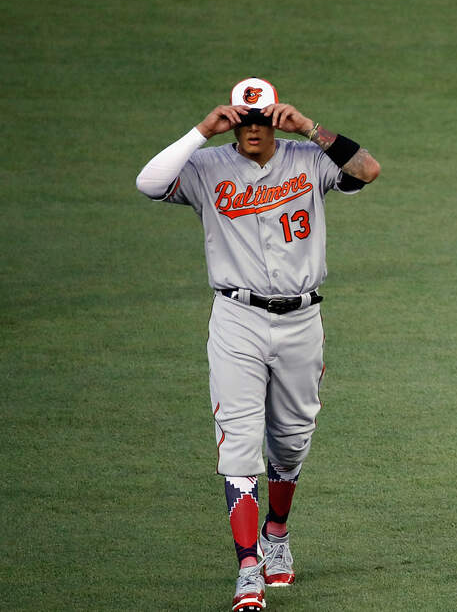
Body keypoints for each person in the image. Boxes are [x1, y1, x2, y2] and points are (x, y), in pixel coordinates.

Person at [135, 77, 381, 612]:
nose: (252, 129)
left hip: (302, 320)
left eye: (261, 120)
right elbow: (148, 183)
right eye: (243, 120)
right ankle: (248, 567)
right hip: (237, 319)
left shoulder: (309, 159)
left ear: (275, 118)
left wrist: (310, 128)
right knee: (239, 441)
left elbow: (367, 169)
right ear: (232, 120)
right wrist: (202, 130)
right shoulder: (205, 167)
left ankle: (277, 531)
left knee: (291, 441)